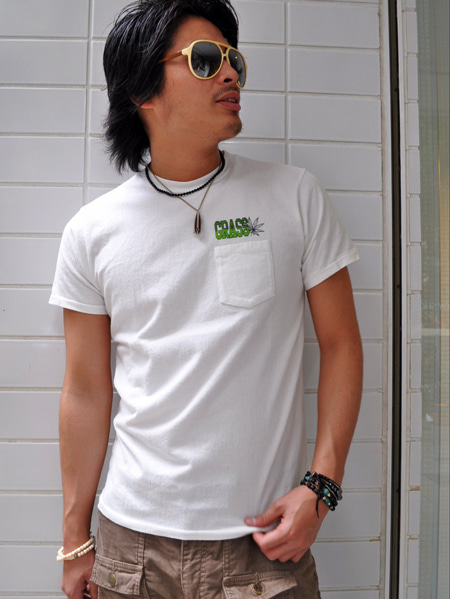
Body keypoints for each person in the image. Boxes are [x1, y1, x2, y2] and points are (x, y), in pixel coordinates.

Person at [50, 1, 363, 597]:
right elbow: (85, 389)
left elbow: (342, 344)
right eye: (203, 60)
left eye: (232, 59)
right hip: (130, 552)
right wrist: (75, 538)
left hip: (263, 548)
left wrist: (321, 489)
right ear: (142, 89)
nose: (229, 73)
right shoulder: (92, 232)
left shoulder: (294, 196)